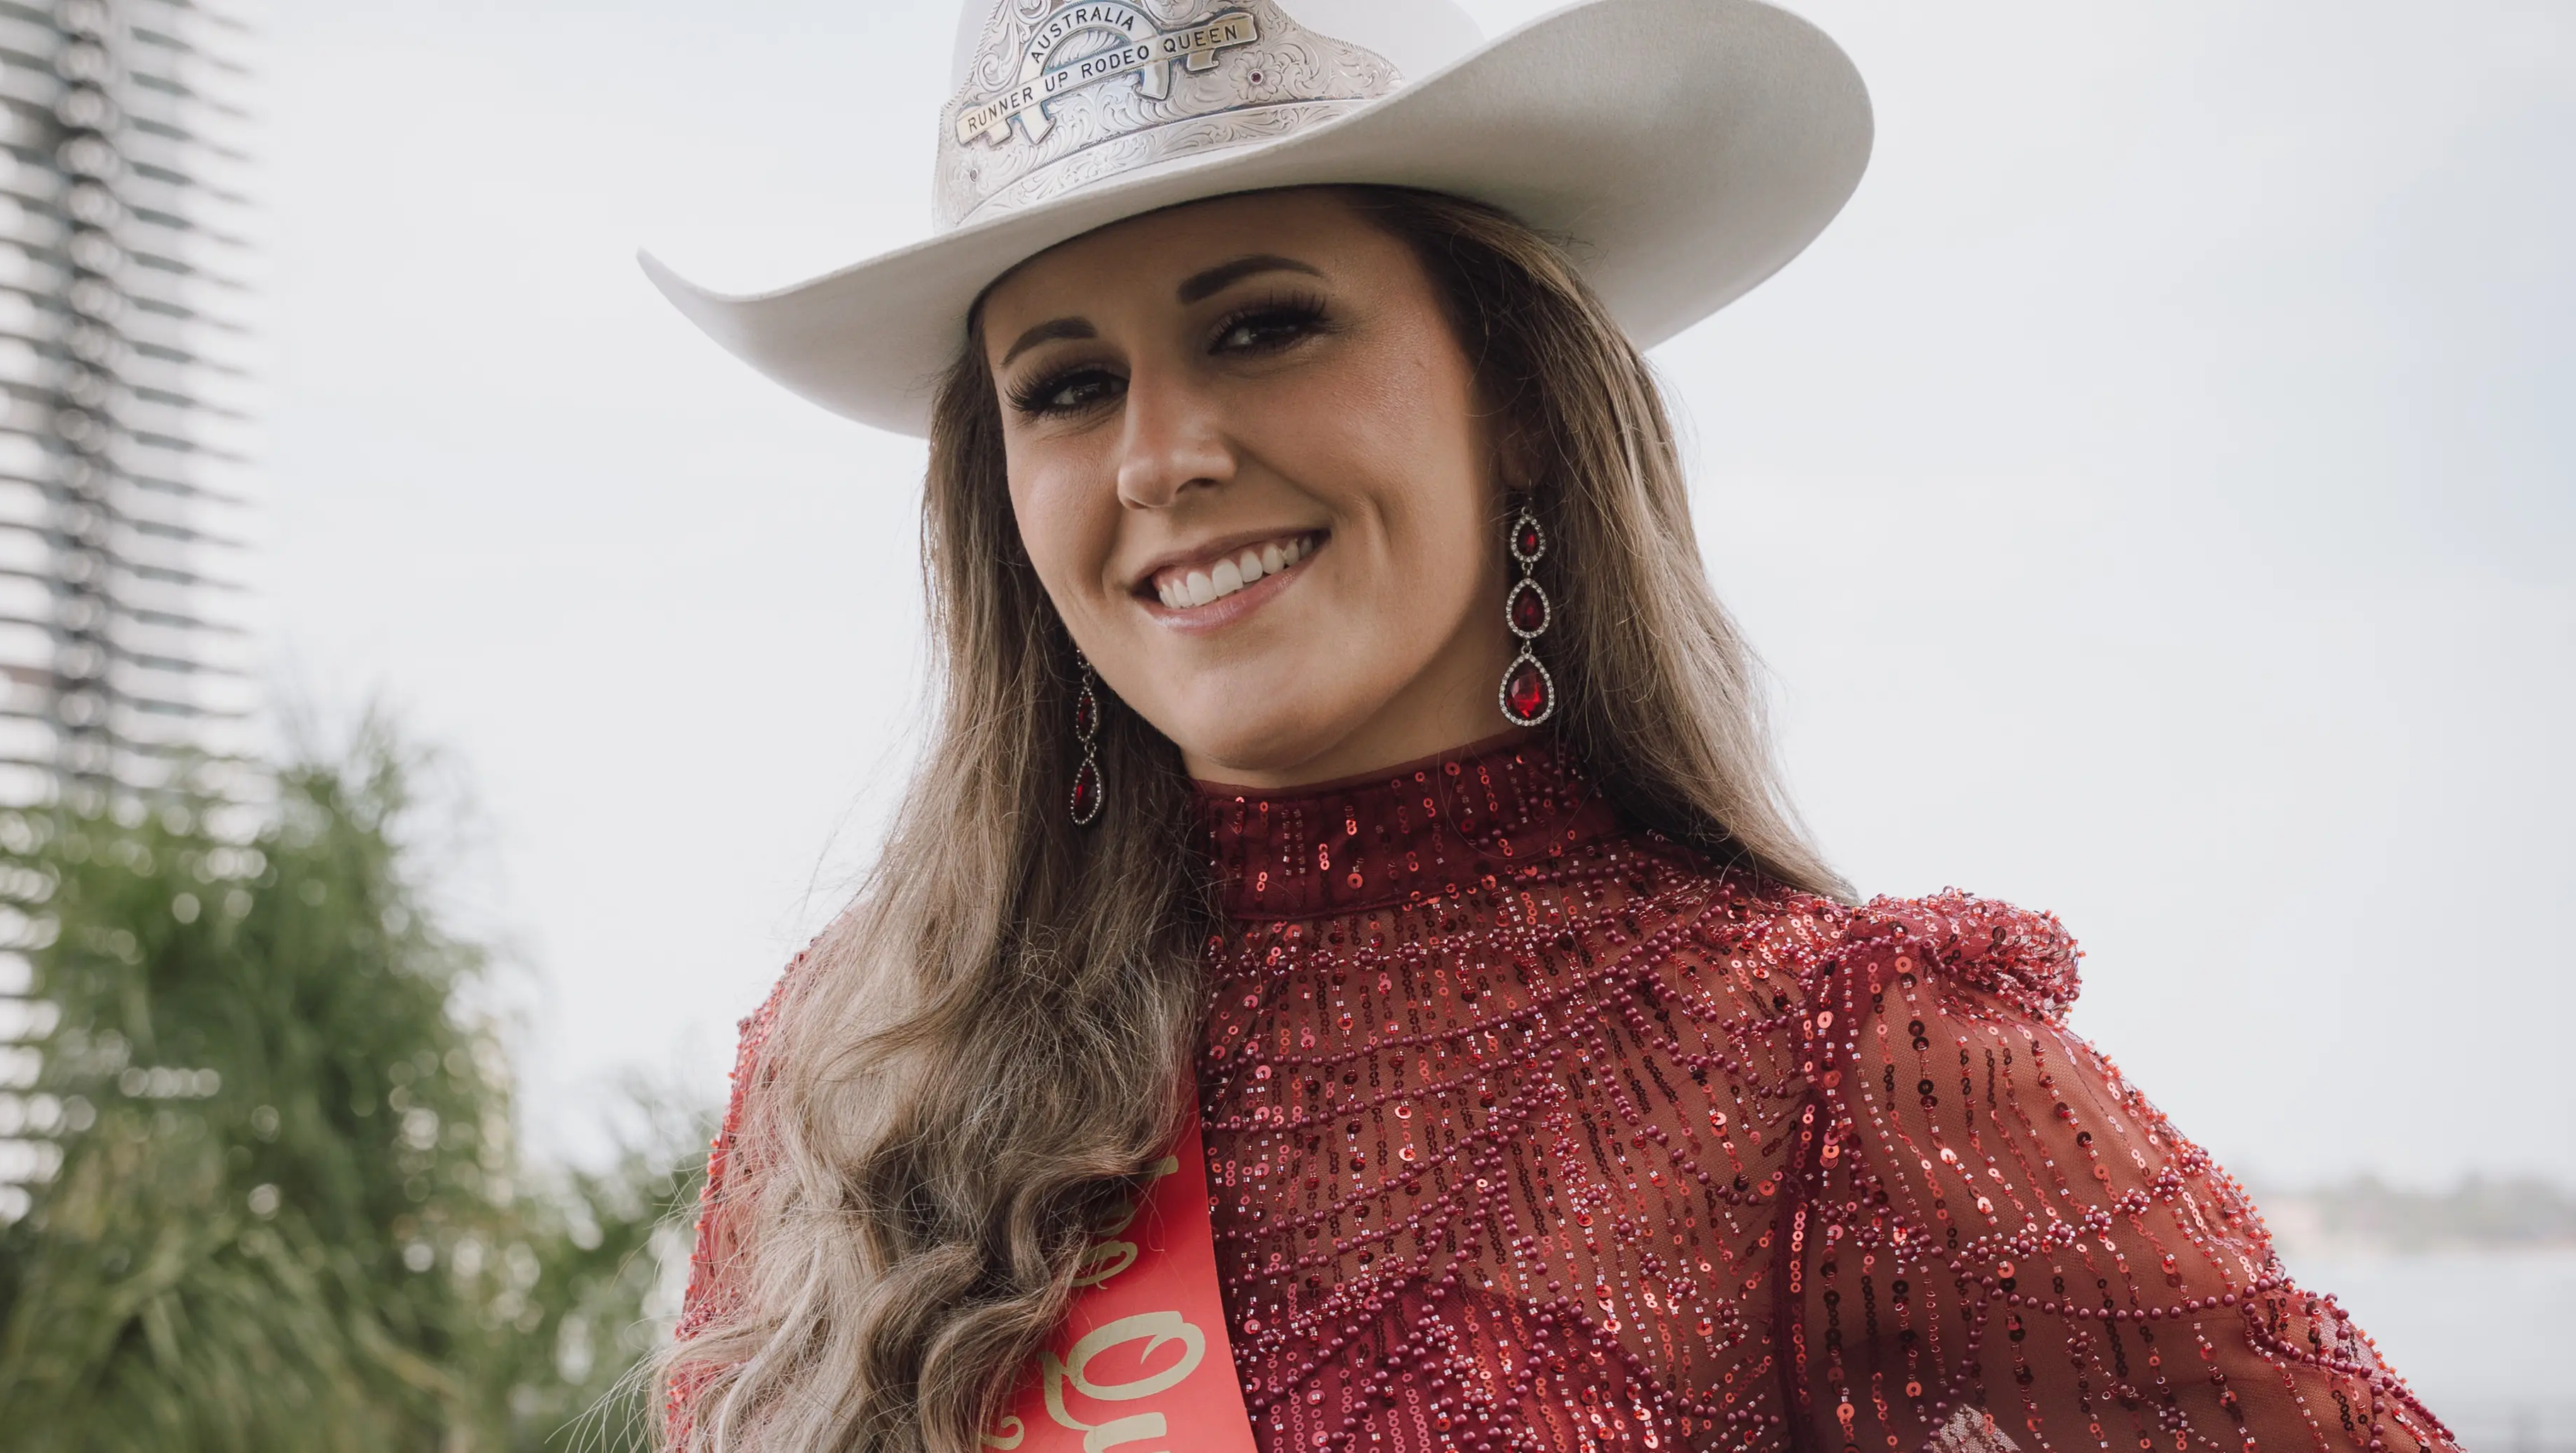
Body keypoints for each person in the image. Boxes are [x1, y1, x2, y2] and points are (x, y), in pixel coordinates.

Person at [641, 2, 2456, 1451]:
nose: (1162, 454)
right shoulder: (865, 1070)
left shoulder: (1840, 1066)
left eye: (1265, 327)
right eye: (1068, 386)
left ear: (1515, 391)